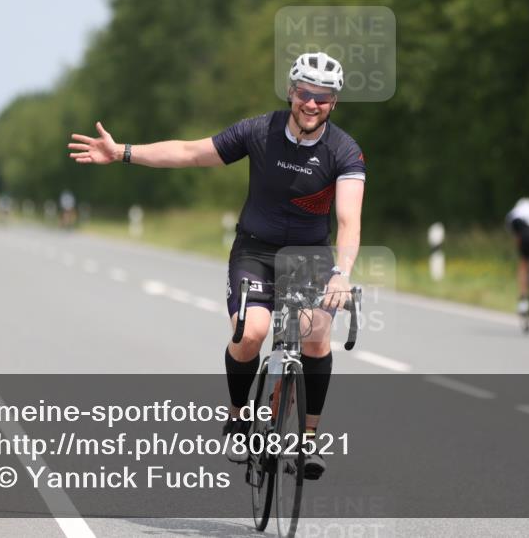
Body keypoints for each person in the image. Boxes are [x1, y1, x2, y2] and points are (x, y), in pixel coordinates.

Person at [67, 52, 365, 480]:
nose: (311, 104)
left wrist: (344, 270)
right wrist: (123, 152)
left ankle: (309, 439)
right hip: (255, 251)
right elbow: (189, 152)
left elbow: (348, 220)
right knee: (252, 333)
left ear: (333, 102)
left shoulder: (344, 151)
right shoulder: (259, 131)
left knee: (317, 335)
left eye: (323, 97)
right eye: (304, 93)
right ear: (290, 91)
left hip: (310, 259)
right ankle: (240, 416)